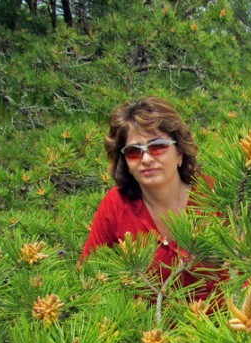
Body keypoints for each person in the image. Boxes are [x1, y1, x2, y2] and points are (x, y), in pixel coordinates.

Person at [79, 96, 221, 299]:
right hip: (145, 321)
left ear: (179, 152)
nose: (146, 159)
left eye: (157, 146)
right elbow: (86, 276)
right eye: (134, 151)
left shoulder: (214, 194)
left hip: (222, 319)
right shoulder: (116, 205)